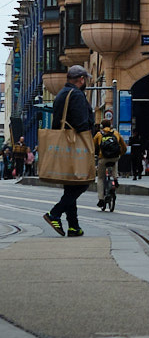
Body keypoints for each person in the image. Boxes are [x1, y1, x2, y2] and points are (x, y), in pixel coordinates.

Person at [44, 66, 95, 237]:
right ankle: (54, 213)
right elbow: (81, 123)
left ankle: (74, 226)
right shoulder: (77, 95)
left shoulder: (60, 94)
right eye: (85, 79)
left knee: (71, 185)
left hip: (62, 146)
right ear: (81, 79)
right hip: (75, 145)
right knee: (83, 181)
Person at [94, 113, 126, 212]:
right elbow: (123, 146)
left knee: (100, 178)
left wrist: (94, 155)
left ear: (102, 126)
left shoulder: (99, 134)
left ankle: (101, 199)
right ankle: (115, 178)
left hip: (103, 158)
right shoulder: (116, 133)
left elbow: (93, 145)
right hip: (114, 157)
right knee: (115, 162)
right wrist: (121, 154)